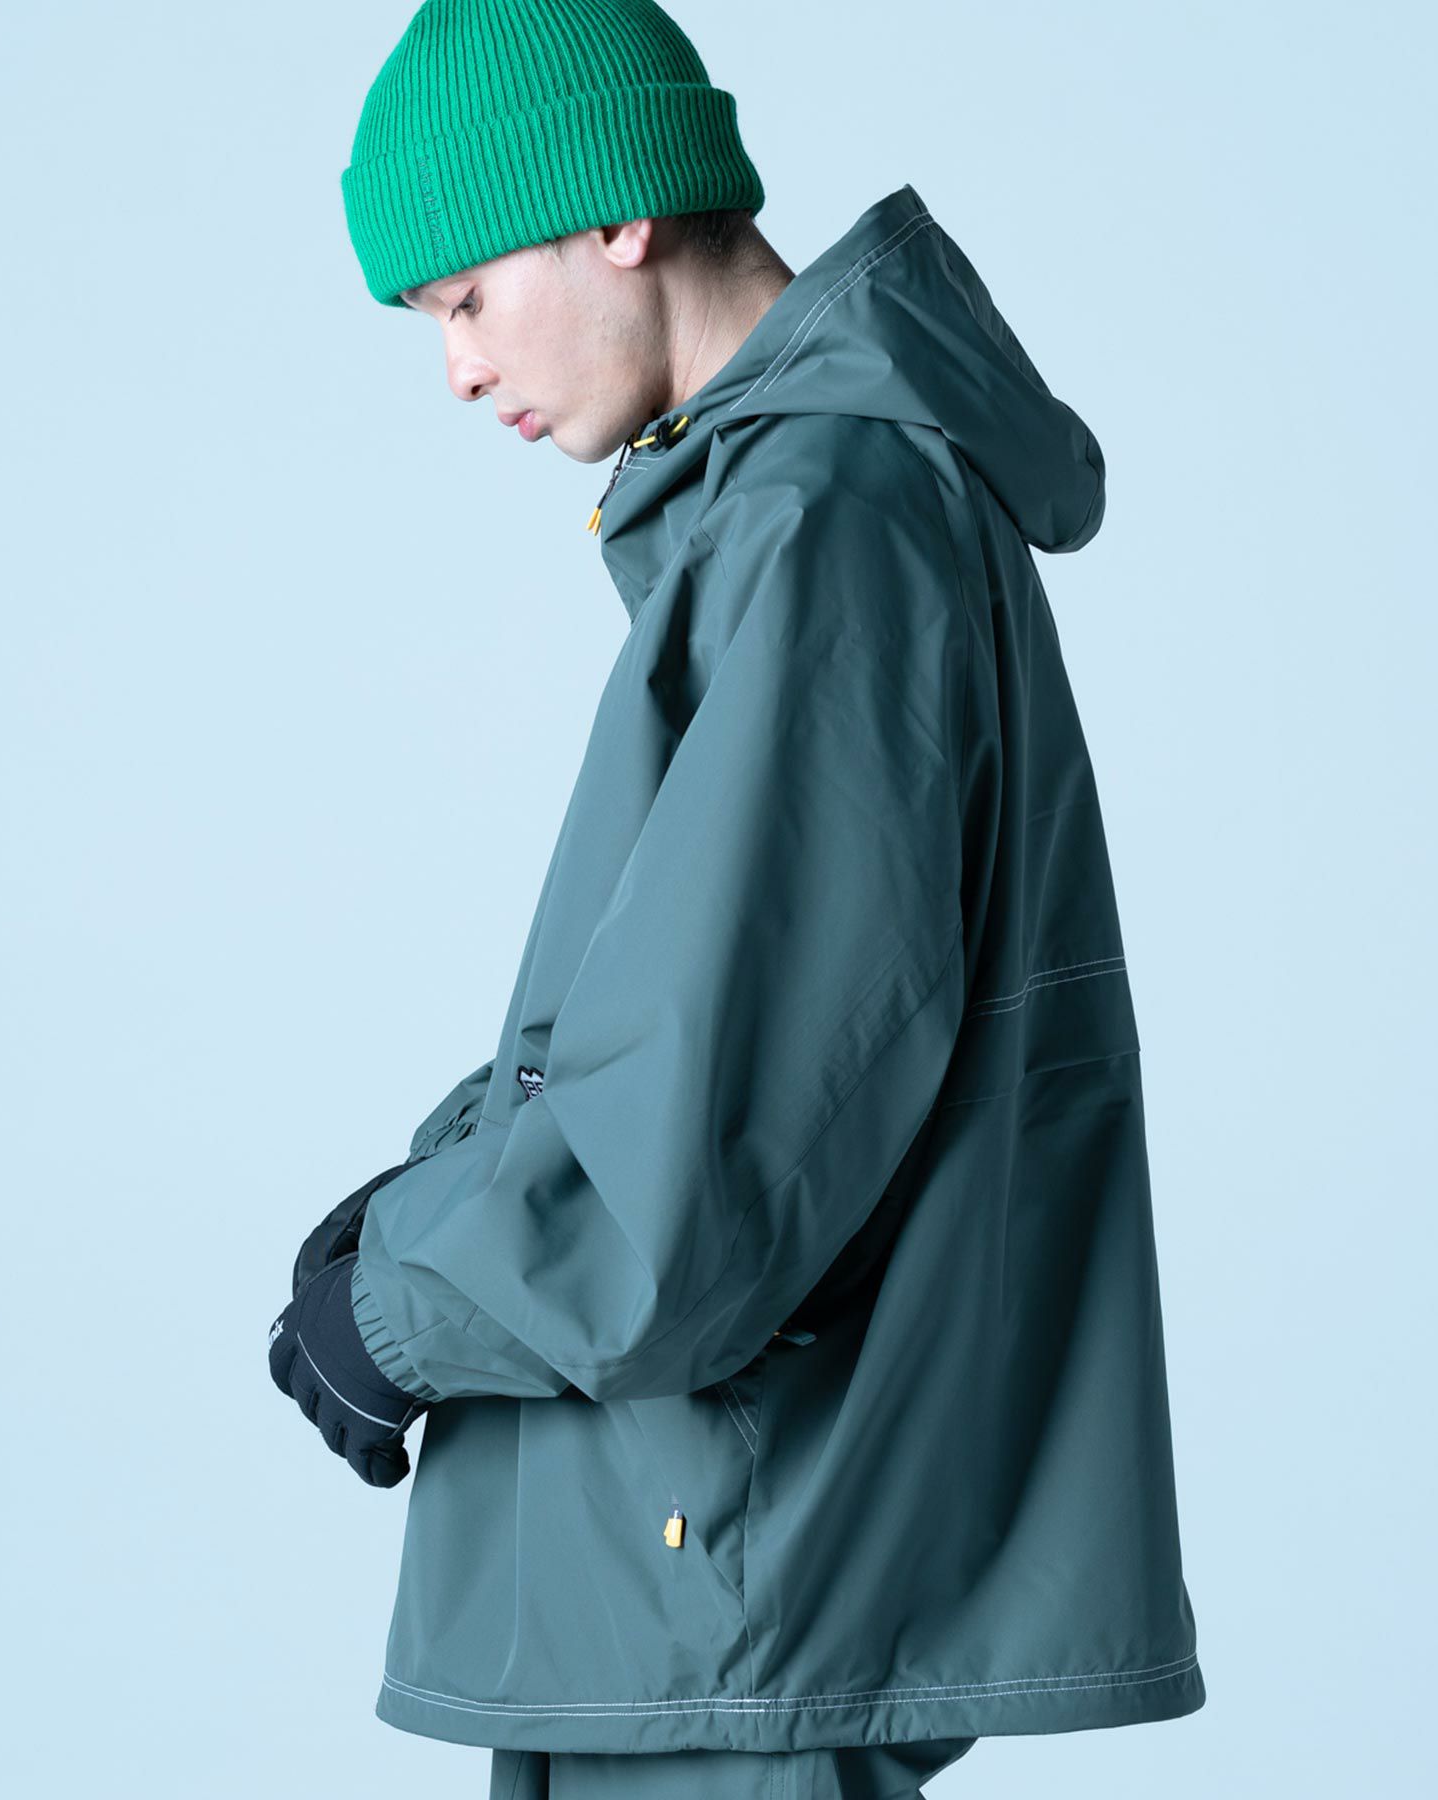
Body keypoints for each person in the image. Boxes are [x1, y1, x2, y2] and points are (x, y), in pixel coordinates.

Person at [267, 3, 1207, 1795]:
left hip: (733, 1584)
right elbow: (705, 1028)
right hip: (695, 1590)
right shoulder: (789, 507)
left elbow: (718, 1140)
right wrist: (428, 1202)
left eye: (464, 299)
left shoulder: (826, 520)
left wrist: (398, 1307)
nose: (457, 370)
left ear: (618, 212)